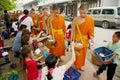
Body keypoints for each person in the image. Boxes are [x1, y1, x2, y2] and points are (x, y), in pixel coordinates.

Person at [71, 4, 94, 71]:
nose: (83, 14)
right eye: (81, 13)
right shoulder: (75, 20)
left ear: (87, 11)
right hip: (77, 40)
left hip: (85, 40)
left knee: (83, 55)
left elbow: (91, 31)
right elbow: (72, 31)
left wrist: (92, 39)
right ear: (79, 11)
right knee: (77, 54)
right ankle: (76, 66)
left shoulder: (91, 20)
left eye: (84, 13)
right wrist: (71, 41)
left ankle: (80, 65)